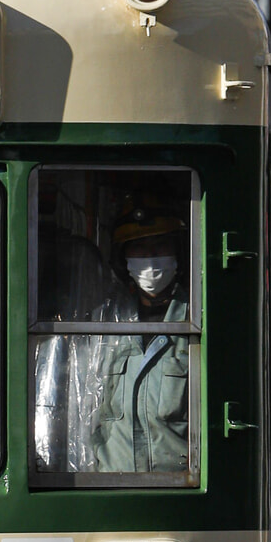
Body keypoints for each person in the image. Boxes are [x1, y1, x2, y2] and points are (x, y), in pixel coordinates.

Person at [87, 203, 191, 475]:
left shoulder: (197, 323)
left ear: (178, 254)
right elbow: (86, 412)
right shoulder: (106, 322)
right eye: (139, 248)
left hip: (179, 491)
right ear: (124, 260)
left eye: (160, 246)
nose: (150, 257)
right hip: (112, 488)